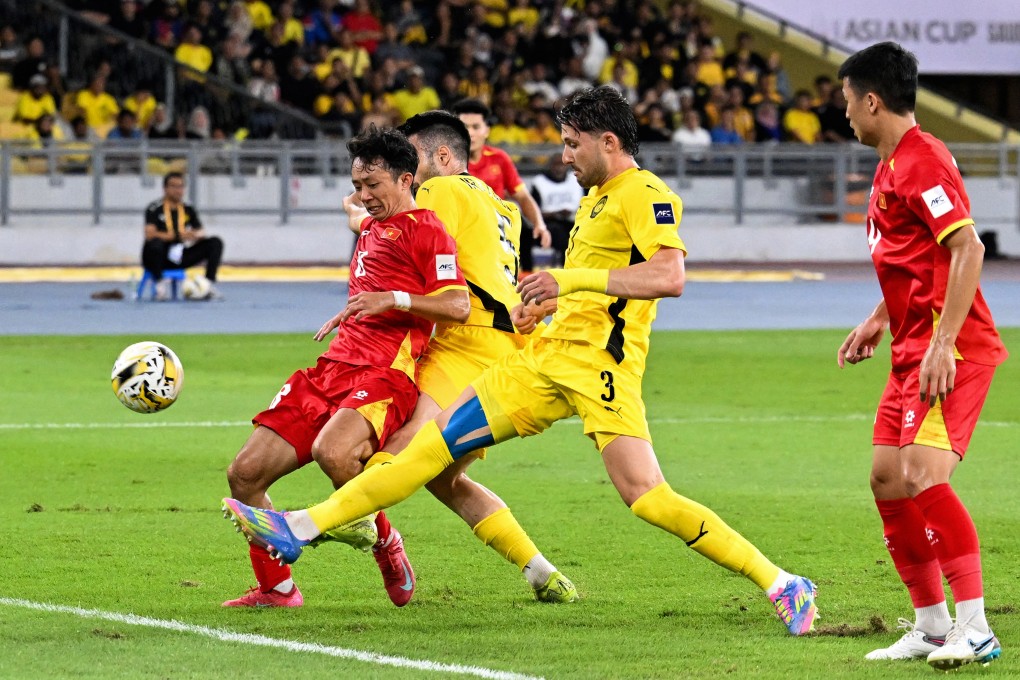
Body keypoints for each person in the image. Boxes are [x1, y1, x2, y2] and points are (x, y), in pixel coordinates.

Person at [222, 86, 820, 636]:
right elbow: (585, 293)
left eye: (571, 144)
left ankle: (782, 583)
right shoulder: (593, 201)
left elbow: (670, 276)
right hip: (539, 363)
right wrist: (542, 310)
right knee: (431, 449)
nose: (564, 158)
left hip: (600, 373)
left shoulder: (646, 193)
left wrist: (564, 279)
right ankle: (301, 527)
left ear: (607, 141)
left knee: (647, 496)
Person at [326, 111, 577, 602]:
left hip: (468, 341)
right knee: (444, 476)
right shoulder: (501, 205)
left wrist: (357, 215)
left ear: (442, 157)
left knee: (400, 453)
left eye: (412, 160)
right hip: (507, 347)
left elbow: (401, 224)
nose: (407, 174)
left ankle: (310, 526)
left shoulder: (443, 191)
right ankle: (542, 573)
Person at [221, 126, 471, 609]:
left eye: (373, 185)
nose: (364, 195)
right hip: (332, 367)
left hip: (385, 374)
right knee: (245, 474)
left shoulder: (430, 231)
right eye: (358, 185)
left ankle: (386, 545)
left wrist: (391, 300)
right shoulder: (375, 225)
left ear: (405, 178)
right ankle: (278, 590)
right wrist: (357, 302)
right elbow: (366, 228)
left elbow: (458, 305)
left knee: (333, 453)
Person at [836, 42, 1007, 669]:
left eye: (848, 100)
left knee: (922, 475)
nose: (846, 112)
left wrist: (940, 344)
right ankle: (933, 626)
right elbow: (918, 258)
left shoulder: (923, 160)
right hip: (912, 347)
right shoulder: (891, 164)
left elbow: (968, 250)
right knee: (888, 477)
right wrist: (880, 318)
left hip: (950, 350)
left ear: (872, 100)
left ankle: (977, 628)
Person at [450, 99, 551, 274]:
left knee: (525, 228)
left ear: (486, 130)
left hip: (497, 229)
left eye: (476, 127)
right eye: (464, 127)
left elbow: (523, 196)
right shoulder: (447, 161)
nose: (470, 133)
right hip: (461, 230)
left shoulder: (499, 158)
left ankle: (523, 281)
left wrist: (539, 224)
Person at [142, 172, 224, 301]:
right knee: (155, 243)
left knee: (215, 242)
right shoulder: (154, 208)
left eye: (181, 186)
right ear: (165, 188)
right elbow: (150, 234)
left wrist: (192, 235)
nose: (178, 190)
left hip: (179, 254)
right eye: (174, 186)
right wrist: (177, 235)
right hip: (158, 256)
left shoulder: (188, 208)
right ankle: (159, 284)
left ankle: (206, 285)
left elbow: (201, 232)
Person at [530, 153, 584, 267]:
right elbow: (534, 212)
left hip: (573, 221)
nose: (559, 168)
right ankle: (567, 266)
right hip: (548, 224)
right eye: (556, 164)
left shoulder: (575, 180)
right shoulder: (539, 182)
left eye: (562, 165)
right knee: (560, 233)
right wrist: (556, 213)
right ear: (550, 166)